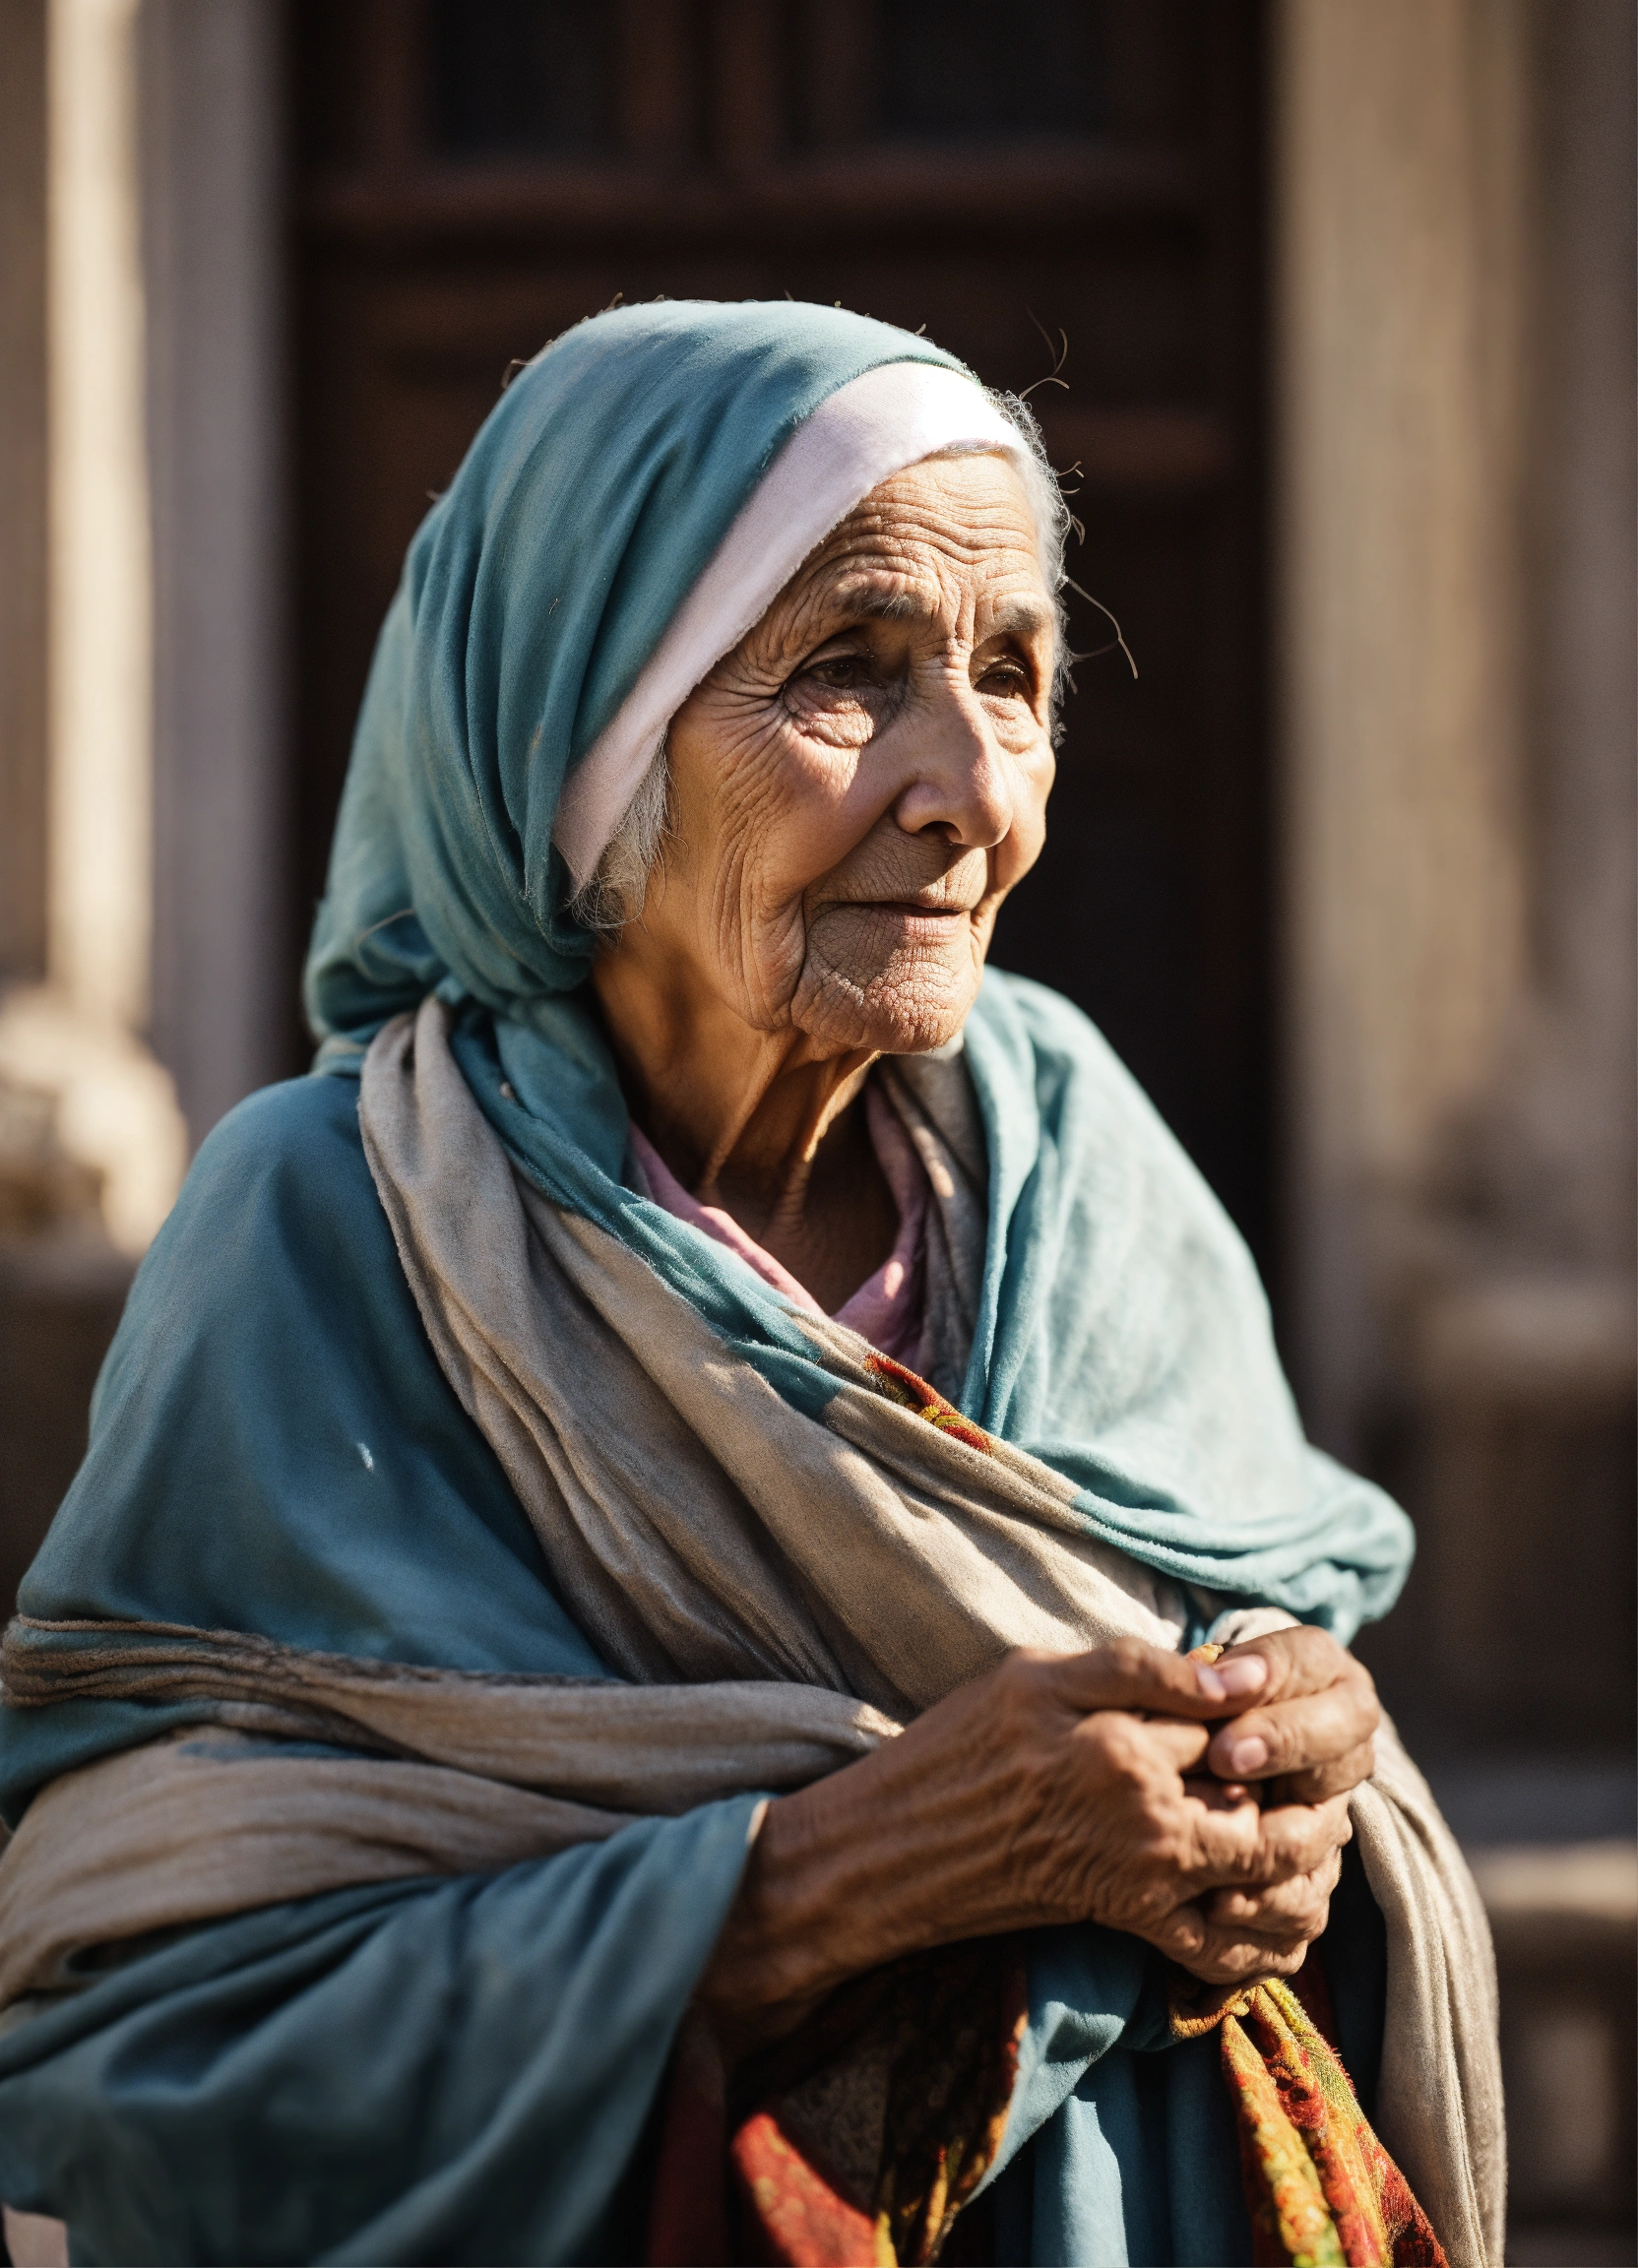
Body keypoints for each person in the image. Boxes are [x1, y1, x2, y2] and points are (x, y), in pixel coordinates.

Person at [0, 301, 1501, 2267]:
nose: (972, 788)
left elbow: (1268, 1660)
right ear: (575, 736)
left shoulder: (1069, 1152)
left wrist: (1302, 1774)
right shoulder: (328, 1225)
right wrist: (826, 1881)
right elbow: (131, 2026)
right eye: (849, 676)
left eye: (1014, 676)